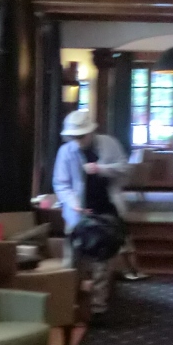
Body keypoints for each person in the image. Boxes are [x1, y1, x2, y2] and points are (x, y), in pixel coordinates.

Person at [53, 109, 130, 325]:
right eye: (74, 136)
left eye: (82, 136)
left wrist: (100, 169)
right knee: (72, 261)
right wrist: (74, 204)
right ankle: (68, 306)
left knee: (102, 265)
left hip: (105, 212)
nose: (78, 140)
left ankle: (98, 309)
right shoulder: (65, 152)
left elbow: (124, 169)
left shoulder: (109, 144)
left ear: (91, 132)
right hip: (78, 215)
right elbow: (61, 183)